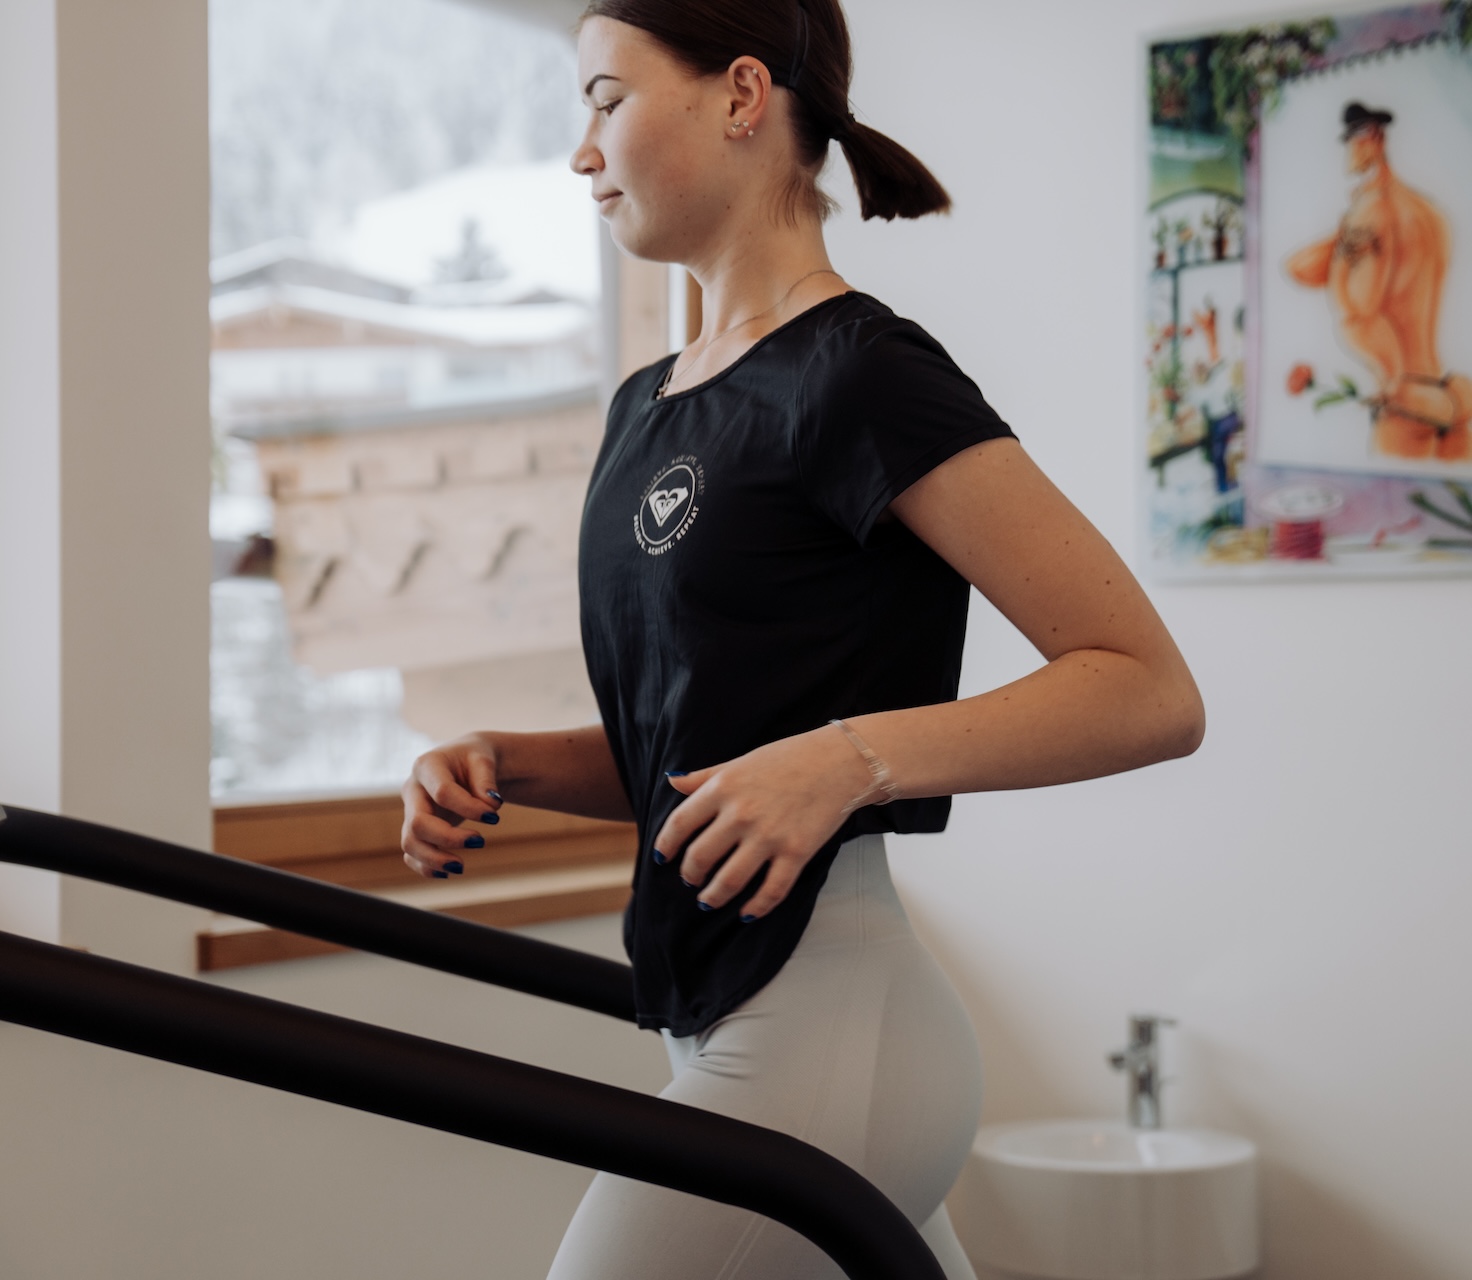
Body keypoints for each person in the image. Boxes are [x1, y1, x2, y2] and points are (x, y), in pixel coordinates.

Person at [398, 2, 1205, 1275]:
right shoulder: (644, 406)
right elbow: (704, 749)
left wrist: (848, 759)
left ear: (740, 95)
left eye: (607, 101)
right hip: (725, 1018)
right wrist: (507, 761)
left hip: (829, 1021)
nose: (582, 151)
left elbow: (1147, 688)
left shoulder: (861, 373)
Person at [1286, 101, 1472, 461]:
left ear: (1372, 139)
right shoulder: (1427, 211)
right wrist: (1342, 241)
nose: (1348, 151)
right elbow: (1301, 267)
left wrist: (1392, 384)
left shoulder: (1369, 213)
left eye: (1353, 140)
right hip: (1448, 396)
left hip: (1407, 403)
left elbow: (1359, 313)